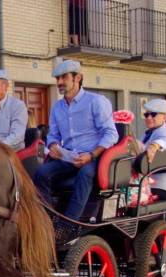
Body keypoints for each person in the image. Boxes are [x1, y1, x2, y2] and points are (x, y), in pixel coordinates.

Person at [34, 60, 118, 225]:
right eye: (57, 78)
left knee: (85, 174)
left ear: (77, 77)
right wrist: (52, 146)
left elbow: (111, 133)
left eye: (63, 77)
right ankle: (47, 219)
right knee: (41, 173)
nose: (59, 82)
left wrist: (91, 155)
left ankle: (69, 224)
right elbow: (53, 135)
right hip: (68, 157)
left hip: (94, 157)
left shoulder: (96, 101)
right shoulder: (57, 107)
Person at [139, 99, 166, 201]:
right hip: (148, 184)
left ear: (165, 117)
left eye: (153, 114)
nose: (149, 118)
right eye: (146, 115)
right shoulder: (148, 133)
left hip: (161, 187)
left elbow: (163, 141)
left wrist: (154, 146)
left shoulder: (165, 132)